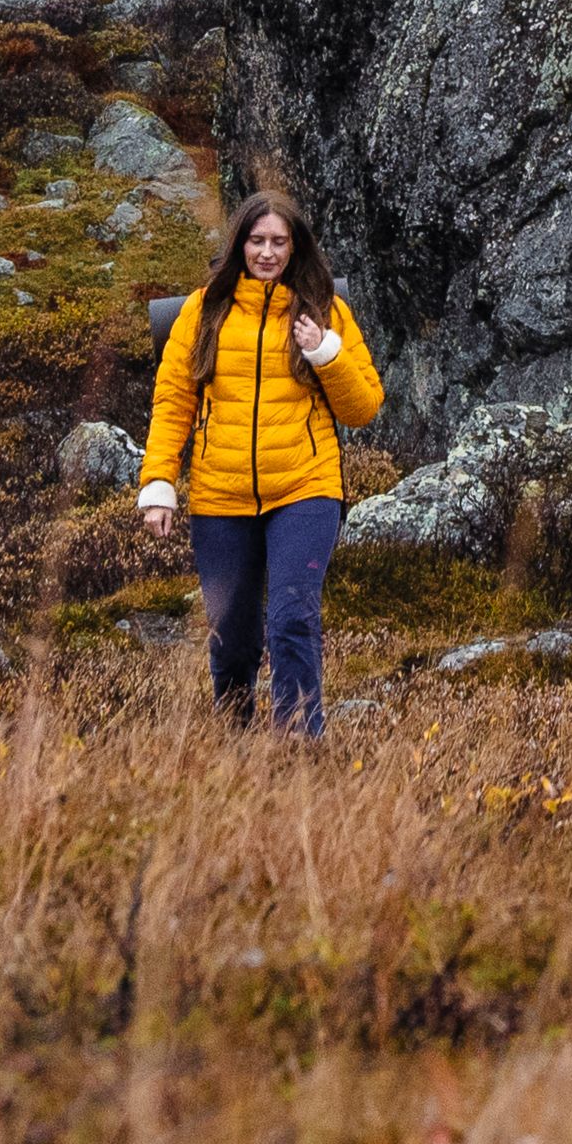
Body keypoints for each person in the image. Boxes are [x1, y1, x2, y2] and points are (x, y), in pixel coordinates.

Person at [133, 179, 384, 735]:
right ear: (238, 245)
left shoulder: (324, 311)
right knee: (231, 632)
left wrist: (325, 352)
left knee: (293, 617)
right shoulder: (202, 311)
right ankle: (237, 744)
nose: (267, 252)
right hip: (221, 496)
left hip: (305, 489)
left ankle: (298, 749)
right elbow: (173, 400)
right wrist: (159, 483)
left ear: (296, 248)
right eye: (256, 240)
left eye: (278, 241)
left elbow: (364, 407)